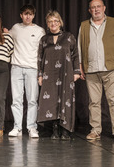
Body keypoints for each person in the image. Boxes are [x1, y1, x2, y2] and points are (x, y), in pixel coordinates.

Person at [78, 0, 114, 142]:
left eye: (98, 6)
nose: (96, 9)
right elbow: (80, 47)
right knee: (93, 102)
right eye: (93, 7)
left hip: (110, 68)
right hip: (91, 70)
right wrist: (80, 66)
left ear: (104, 8)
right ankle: (95, 130)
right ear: (89, 10)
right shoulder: (84, 26)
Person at [37, 11, 80, 140]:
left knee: (65, 99)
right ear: (47, 24)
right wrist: (40, 75)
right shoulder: (44, 39)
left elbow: (75, 55)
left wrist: (77, 72)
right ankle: (55, 129)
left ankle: (65, 130)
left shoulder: (68, 37)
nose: (53, 23)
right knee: (51, 101)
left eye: (55, 21)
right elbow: (40, 58)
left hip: (66, 73)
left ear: (60, 22)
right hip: (49, 74)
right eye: (50, 21)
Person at [9, 4, 45, 138]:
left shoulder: (40, 31)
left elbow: (42, 51)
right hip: (16, 67)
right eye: (25, 14)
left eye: (30, 14)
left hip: (32, 68)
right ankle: (17, 127)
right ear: (21, 15)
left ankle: (31, 127)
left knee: (32, 100)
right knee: (16, 99)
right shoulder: (16, 28)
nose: (28, 16)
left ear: (34, 15)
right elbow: (7, 37)